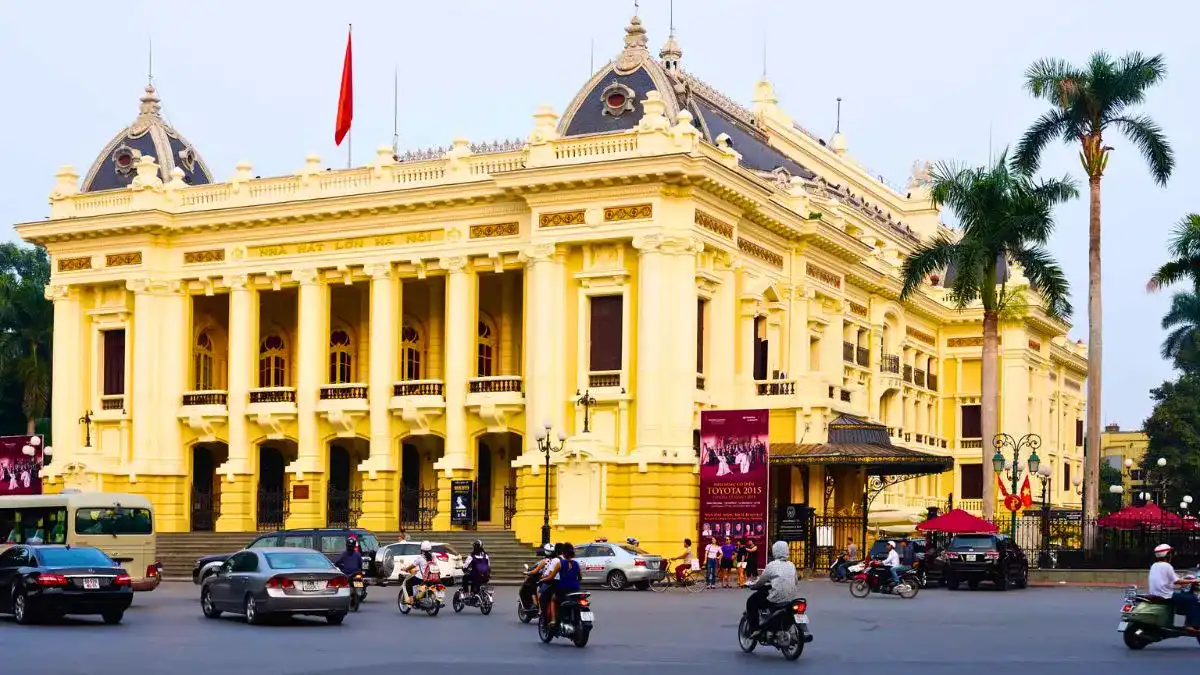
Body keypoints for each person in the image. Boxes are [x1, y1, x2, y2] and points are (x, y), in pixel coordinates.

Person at [745, 541, 800, 635]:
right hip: (790, 598)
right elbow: (796, 582)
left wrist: (753, 585)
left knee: (752, 601)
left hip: (776, 599)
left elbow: (761, 581)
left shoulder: (772, 565)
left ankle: (755, 629)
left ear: (775, 551)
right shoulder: (792, 565)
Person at [1148, 544, 1200, 630]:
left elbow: (1170, 580)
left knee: (1184, 596)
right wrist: (1193, 581)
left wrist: (1184, 580)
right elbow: (1177, 581)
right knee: (1193, 599)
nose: (1172, 555)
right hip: (1166, 595)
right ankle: (1191, 625)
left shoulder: (1154, 565)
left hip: (1156, 593)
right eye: (1170, 553)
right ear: (1167, 554)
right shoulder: (1166, 566)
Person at [400, 541, 438, 605]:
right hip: (434, 577)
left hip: (423, 578)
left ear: (421, 549)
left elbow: (412, 566)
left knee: (408, 582)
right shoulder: (434, 557)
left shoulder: (420, 558)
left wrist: (406, 569)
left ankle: (411, 600)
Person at [521, 543, 555, 611]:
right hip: (554, 580)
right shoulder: (557, 560)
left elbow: (535, 571)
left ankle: (537, 606)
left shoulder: (544, 561)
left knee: (533, 589)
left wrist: (526, 573)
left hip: (545, 579)